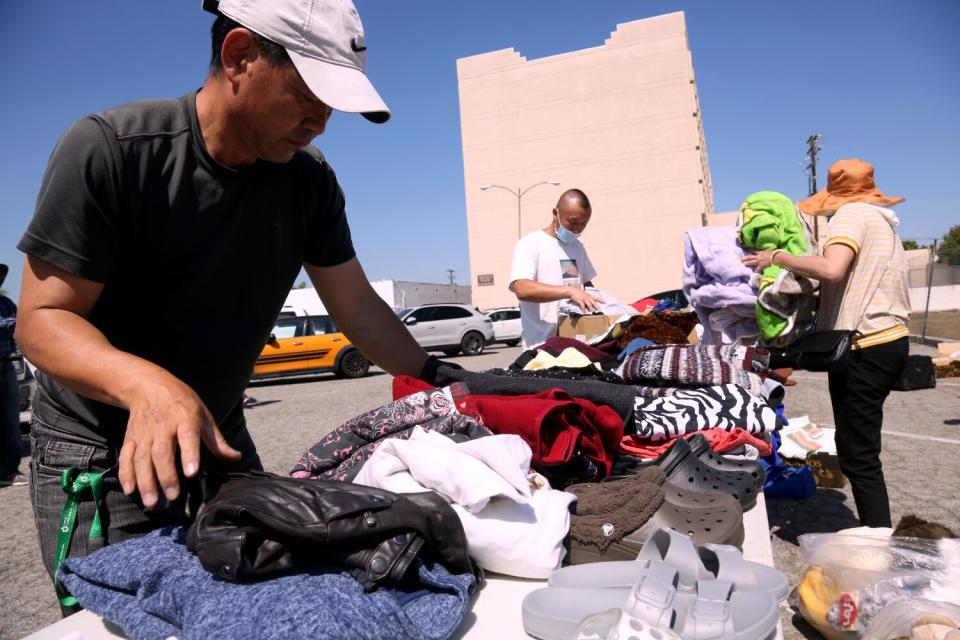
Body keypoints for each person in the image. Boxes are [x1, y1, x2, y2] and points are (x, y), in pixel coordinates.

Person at [15, 0, 438, 598]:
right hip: (102, 450)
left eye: (331, 107)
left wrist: (437, 379)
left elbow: (357, 307)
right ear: (239, 56)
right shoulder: (112, 149)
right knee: (129, 619)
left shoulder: (307, 180)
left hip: (219, 433)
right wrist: (149, 387)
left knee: (264, 597)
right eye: (309, 96)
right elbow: (42, 321)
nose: (320, 122)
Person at [742, 158, 910, 527]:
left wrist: (777, 257)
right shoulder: (881, 222)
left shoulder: (851, 216)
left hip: (866, 346)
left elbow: (832, 268)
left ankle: (877, 542)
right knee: (857, 451)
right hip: (885, 344)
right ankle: (875, 534)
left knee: (860, 457)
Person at [508, 189, 603, 349]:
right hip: (541, 346)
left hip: (575, 343)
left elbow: (585, 286)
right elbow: (522, 288)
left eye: (583, 223)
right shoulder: (530, 244)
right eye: (572, 222)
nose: (577, 230)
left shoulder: (577, 246)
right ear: (555, 213)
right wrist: (569, 291)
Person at [0, 263, 27, 487]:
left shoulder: (6, 303)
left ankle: (9, 471)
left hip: (6, 367)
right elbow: (18, 323)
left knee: (11, 422)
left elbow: (24, 324)